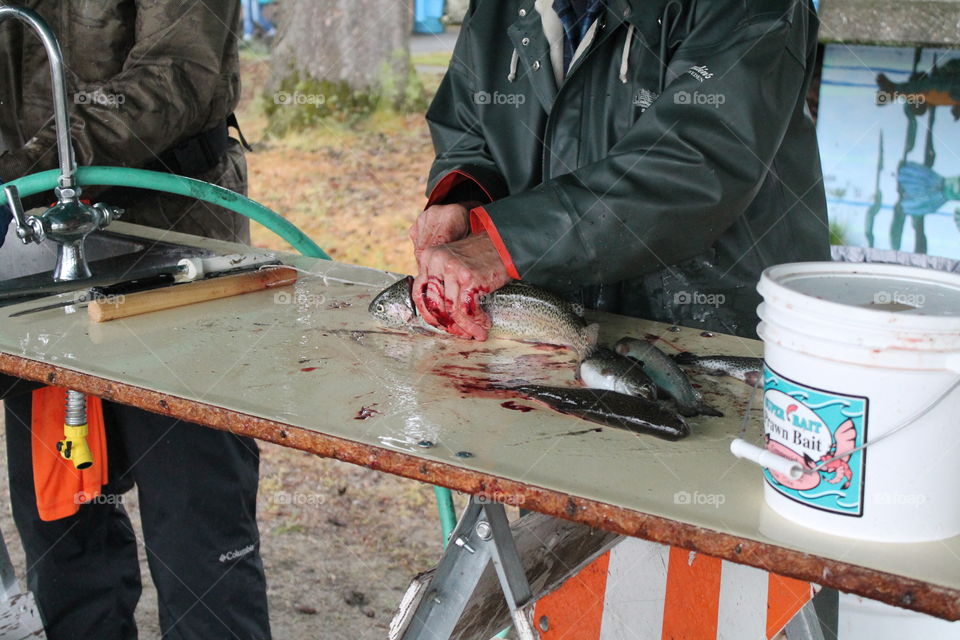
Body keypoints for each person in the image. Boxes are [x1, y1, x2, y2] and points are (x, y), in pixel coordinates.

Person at [0, 2, 270, 639]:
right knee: (63, 516)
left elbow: (180, 70)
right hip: (35, 261)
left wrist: (27, 171)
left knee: (199, 531)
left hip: (172, 248)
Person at [409, 0, 830, 341]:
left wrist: (504, 245)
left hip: (710, 326)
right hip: (554, 325)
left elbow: (696, 162)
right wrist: (465, 198)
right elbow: (467, 122)